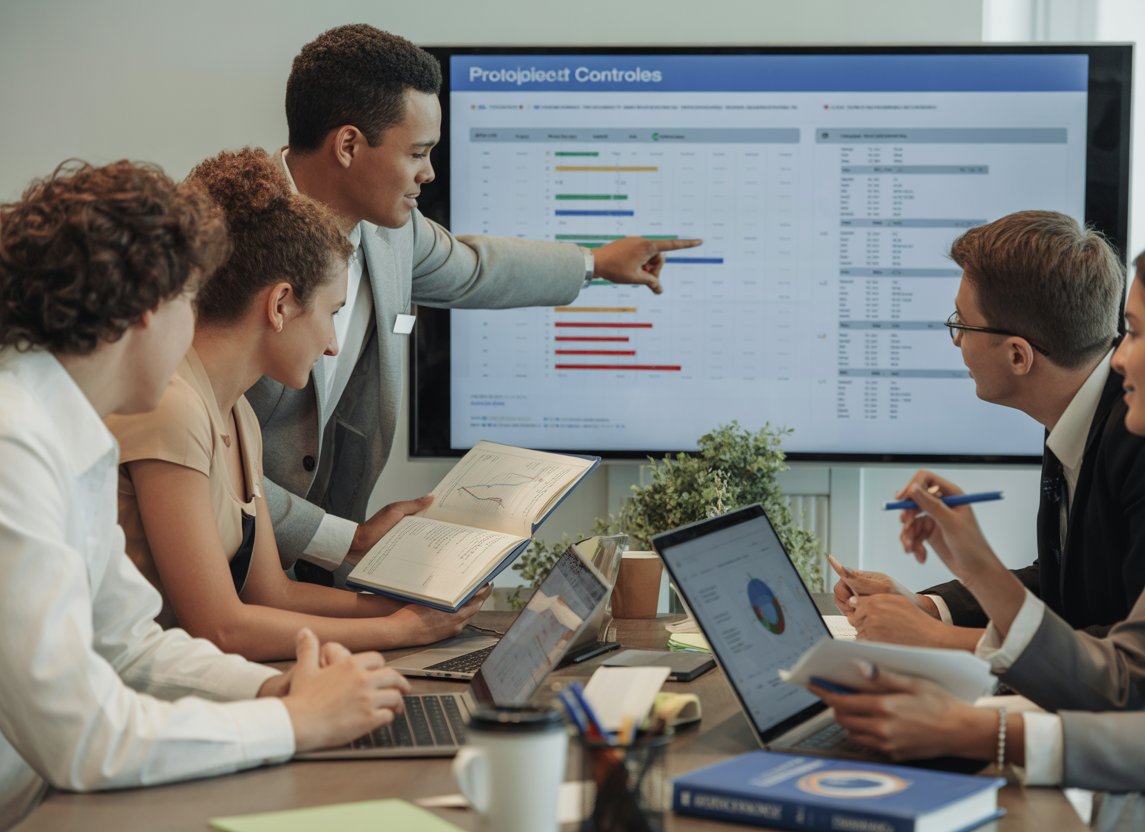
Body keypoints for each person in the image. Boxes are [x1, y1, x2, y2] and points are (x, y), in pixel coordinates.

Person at [0, 160, 413, 826]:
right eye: (190, 301)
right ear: (143, 311)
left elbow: (130, 645)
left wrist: (277, 686)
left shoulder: (66, 430)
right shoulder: (13, 446)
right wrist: (292, 720)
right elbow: (83, 740)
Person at [248, 24, 702, 581]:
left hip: (315, 568)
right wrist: (343, 539)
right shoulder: (229, 239)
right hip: (216, 559)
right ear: (348, 145)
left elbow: (474, 270)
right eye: (418, 152)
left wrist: (597, 263)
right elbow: (199, 454)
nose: (429, 173)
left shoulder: (393, 232)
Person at [812, 217, 1145, 828]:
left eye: (1132, 333)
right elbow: (1125, 676)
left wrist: (981, 729)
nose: (1118, 355)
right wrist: (967, 574)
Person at [106, 148, 489, 661]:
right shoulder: (173, 406)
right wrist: (401, 632)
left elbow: (274, 595)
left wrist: (421, 609)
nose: (333, 344)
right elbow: (220, 629)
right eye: (332, 312)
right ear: (280, 304)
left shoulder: (238, 414)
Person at [830, 211, 1145, 648]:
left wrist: (937, 637)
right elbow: (1061, 588)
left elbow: (1140, 652)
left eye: (961, 323)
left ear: (1019, 356)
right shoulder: (1078, 407)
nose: (957, 339)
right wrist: (927, 608)